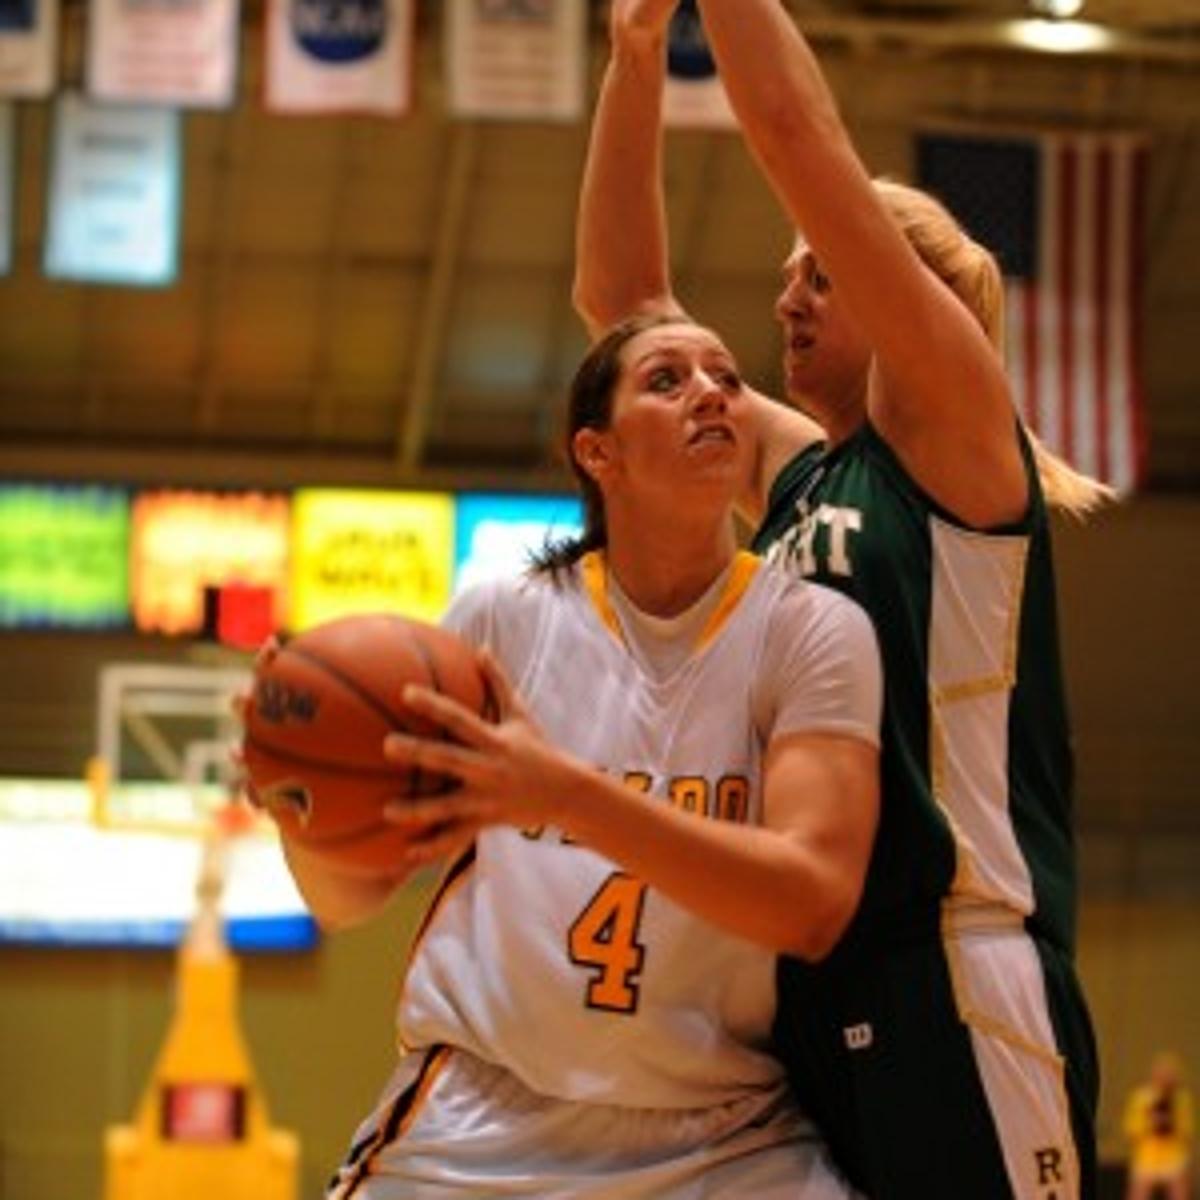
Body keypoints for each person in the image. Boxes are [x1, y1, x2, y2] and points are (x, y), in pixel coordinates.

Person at [572, 2, 1107, 1197]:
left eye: (819, 271)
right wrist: (637, 54)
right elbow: (622, 313)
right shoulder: (806, 473)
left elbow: (793, 130)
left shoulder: (958, 450)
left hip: (957, 968)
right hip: (811, 987)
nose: (786, 303)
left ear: (902, 288)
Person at [256, 313, 883, 1198]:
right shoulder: (498, 622)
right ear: (596, 452)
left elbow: (812, 902)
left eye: (727, 379)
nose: (711, 391)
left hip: (724, 1137)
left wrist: (566, 796)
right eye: (667, 380)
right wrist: (299, 797)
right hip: (481, 1121)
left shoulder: (813, 630)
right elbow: (347, 898)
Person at [1124, 1053, 1195, 1200]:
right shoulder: (1141, 1099)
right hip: (1147, 1157)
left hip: (1173, 1156)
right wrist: (1151, 1122)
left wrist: (1172, 1122)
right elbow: (1131, 1130)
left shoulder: (1181, 1100)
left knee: (1180, 1189)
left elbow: (1188, 1131)